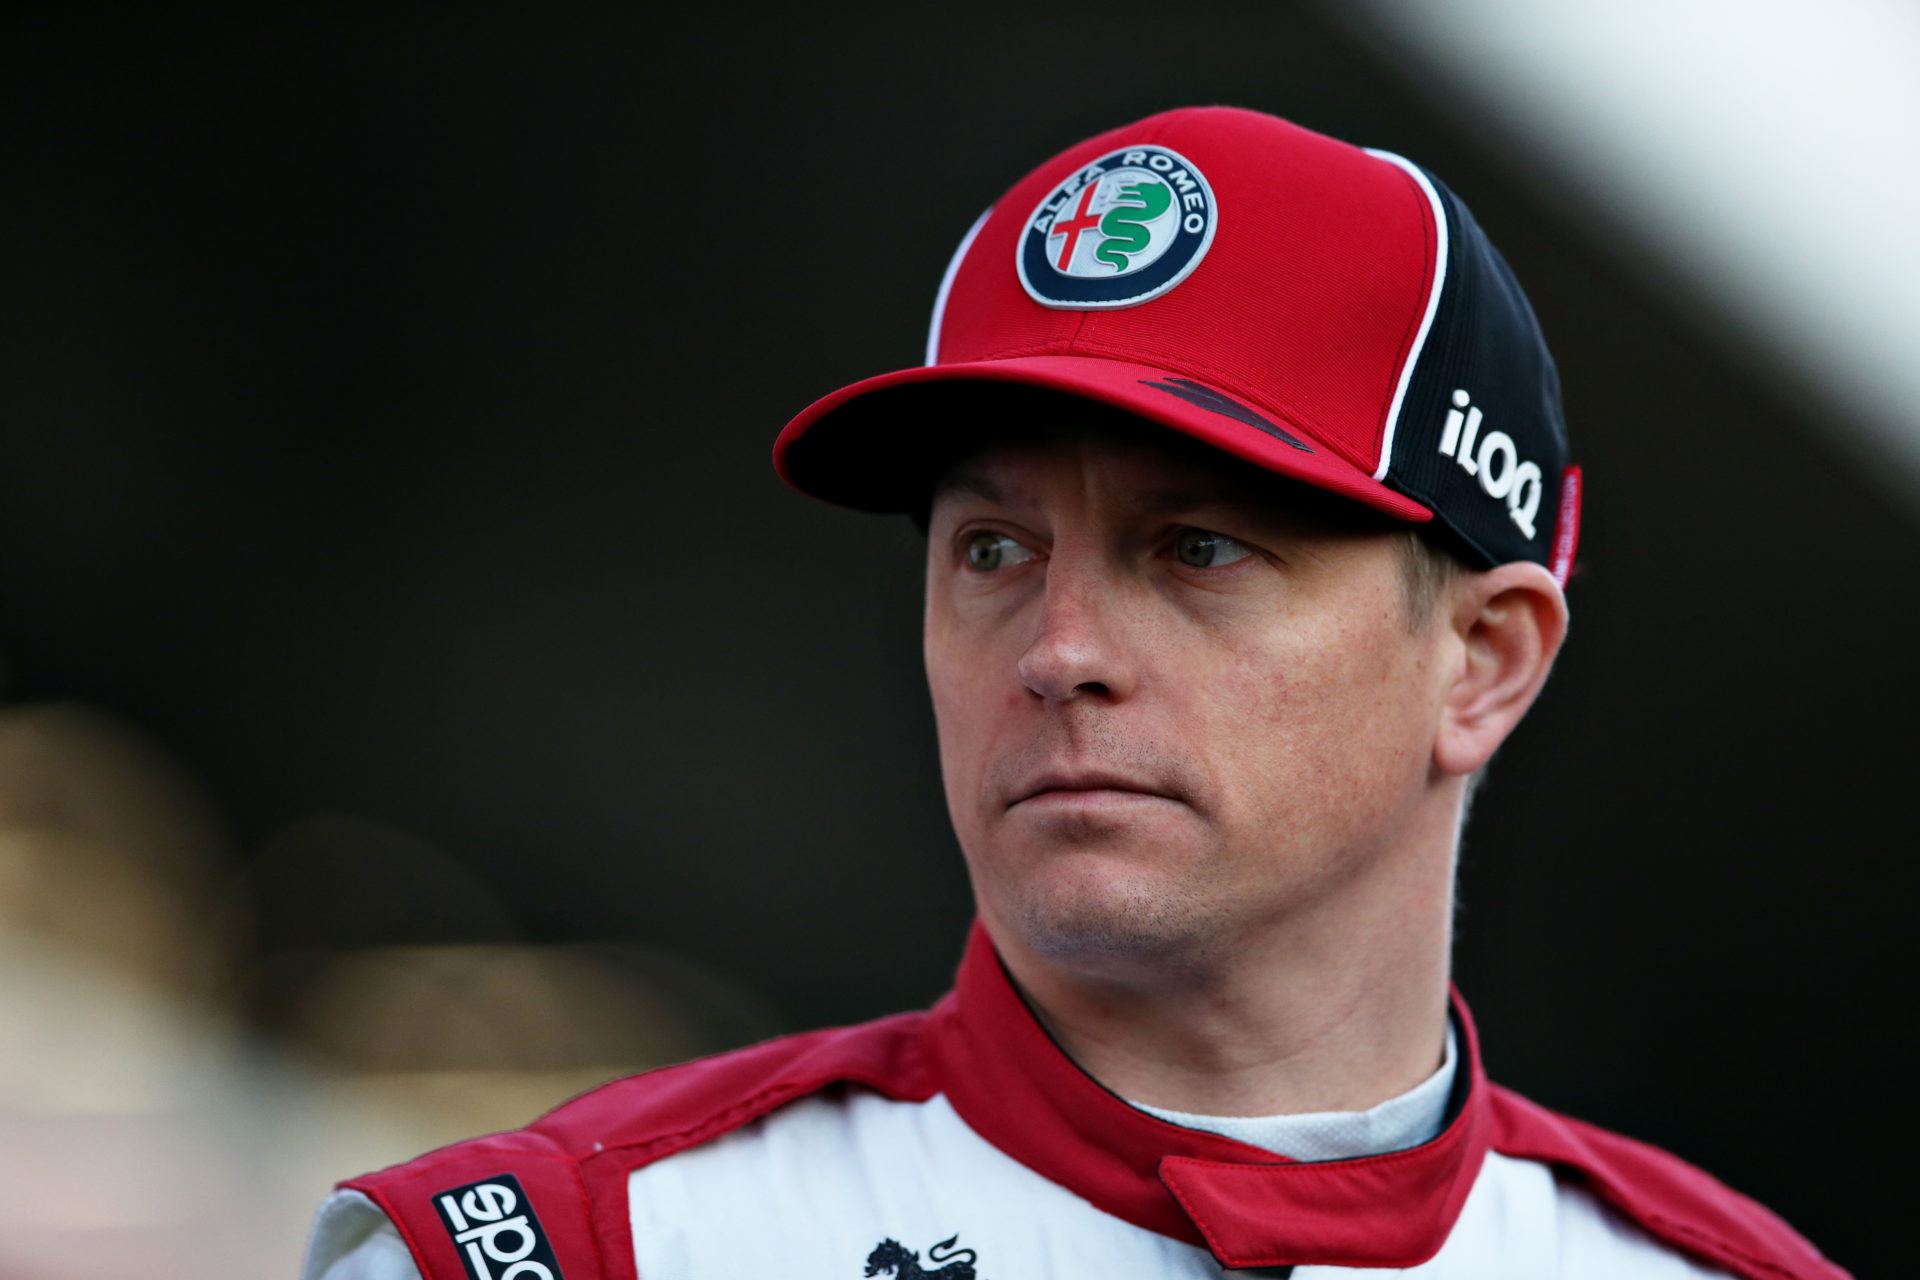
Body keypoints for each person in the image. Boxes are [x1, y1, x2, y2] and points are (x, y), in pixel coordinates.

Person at [302, 107, 1845, 1280]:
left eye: (1199, 548)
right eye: (993, 548)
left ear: (1484, 662)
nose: (1057, 648)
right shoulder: (578, 1251)